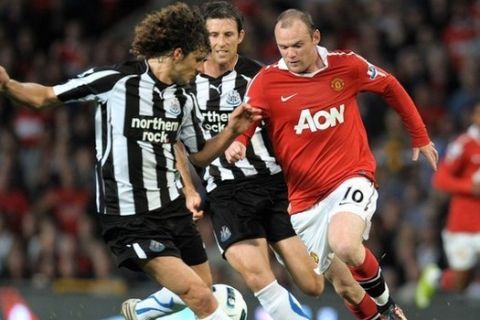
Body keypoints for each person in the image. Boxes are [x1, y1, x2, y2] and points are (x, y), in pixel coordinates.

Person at [0, 3, 262, 320]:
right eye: (196, 60)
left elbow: (200, 154)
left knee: (202, 283)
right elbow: (44, 96)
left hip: (173, 209)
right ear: (177, 54)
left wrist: (233, 131)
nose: (200, 69)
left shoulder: (183, 98)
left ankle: (142, 311)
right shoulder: (115, 82)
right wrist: (8, 85)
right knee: (202, 298)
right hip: (131, 217)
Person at [177, 2, 387, 320]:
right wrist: (189, 187)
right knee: (260, 277)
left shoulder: (262, 77)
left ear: (240, 37)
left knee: (317, 284)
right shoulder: (186, 85)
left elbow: (298, 123)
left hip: (277, 185)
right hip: (227, 192)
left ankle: (379, 315)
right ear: (202, 38)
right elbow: (177, 141)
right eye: (213, 35)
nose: (220, 42)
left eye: (227, 35)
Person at [226, 9, 439, 320]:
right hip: (304, 200)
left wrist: (419, 135)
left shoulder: (345, 64)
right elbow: (248, 122)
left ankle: (388, 306)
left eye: (297, 45)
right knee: (344, 286)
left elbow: (389, 85)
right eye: (283, 47)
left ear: (315, 37)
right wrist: (238, 143)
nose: (290, 54)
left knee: (346, 244)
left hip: (351, 177)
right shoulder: (266, 82)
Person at [416, 102, 480, 309]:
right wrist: (469, 186)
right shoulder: (464, 144)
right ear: (475, 117)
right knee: (461, 283)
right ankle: (435, 278)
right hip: (463, 226)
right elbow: (440, 180)